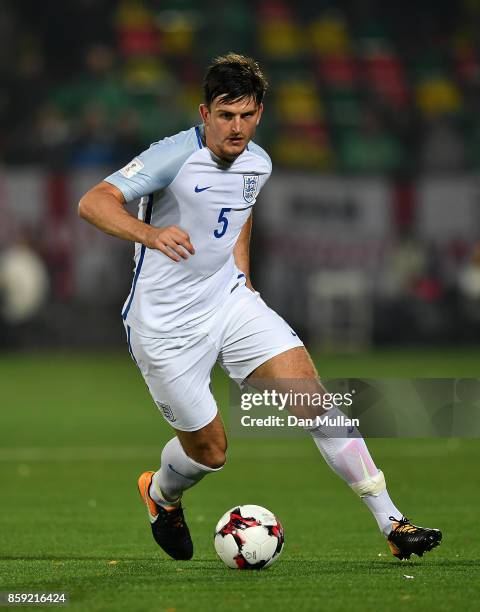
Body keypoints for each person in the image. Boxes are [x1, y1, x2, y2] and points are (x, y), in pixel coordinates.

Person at [79, 53, 441, 562]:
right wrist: (151, 234)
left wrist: (243, 279)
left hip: (228, 302)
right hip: (165, 328)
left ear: (260, 113)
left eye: (247, 115)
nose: (237, 127)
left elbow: (239, 212)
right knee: (211, 453)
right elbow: (93, 201)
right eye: (226, 116)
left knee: (316, 402)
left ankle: (392, 521)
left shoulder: (258, 162)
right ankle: (161, 495)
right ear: (204, 114)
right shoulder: (172, 156)